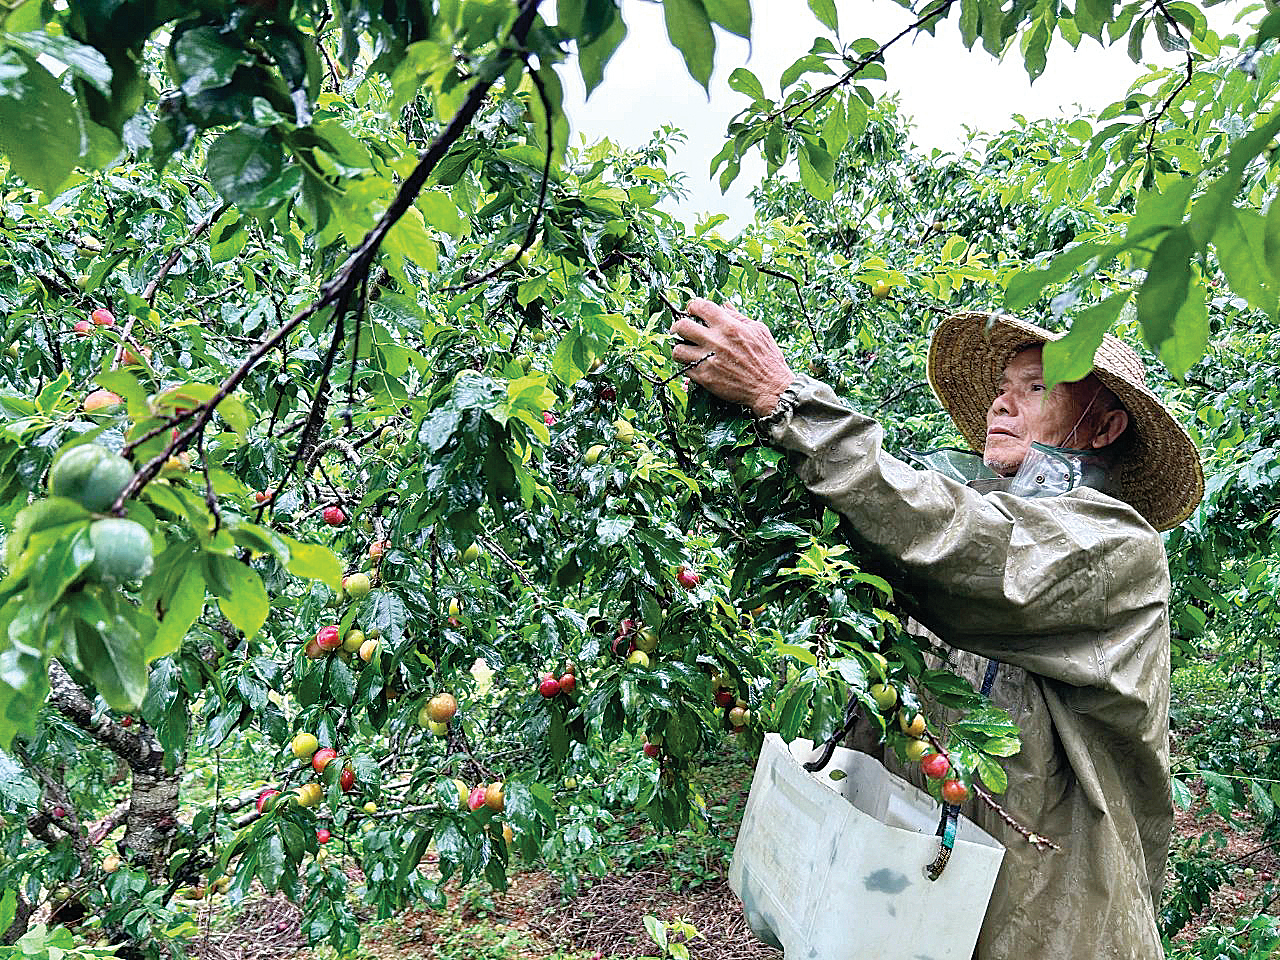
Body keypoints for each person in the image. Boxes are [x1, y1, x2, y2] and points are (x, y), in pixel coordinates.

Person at [672, 301, 1205, 959]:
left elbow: (959, 543)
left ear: (1105, 426)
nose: (1002, 404)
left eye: (1036, 387)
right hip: (928, 912)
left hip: (1054, 922)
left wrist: (789, 403)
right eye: (1002, 388)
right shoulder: (966, 532)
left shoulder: (1117, 549)